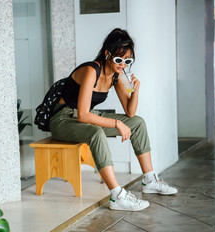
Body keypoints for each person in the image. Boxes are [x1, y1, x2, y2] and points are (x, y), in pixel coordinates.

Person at [49, 28, 177, 211]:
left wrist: (135, 90)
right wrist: (117, 123)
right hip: (62, 119)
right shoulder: (91, 70)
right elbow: (84, 114)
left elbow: (130, 113)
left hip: (82, 118)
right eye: (119, 59)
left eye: (127, 60)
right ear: (107, 54)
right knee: (96, 132)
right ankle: (117, 196)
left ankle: (149, 180)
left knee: (138, 123)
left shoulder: (118, 74)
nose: (123, 64)